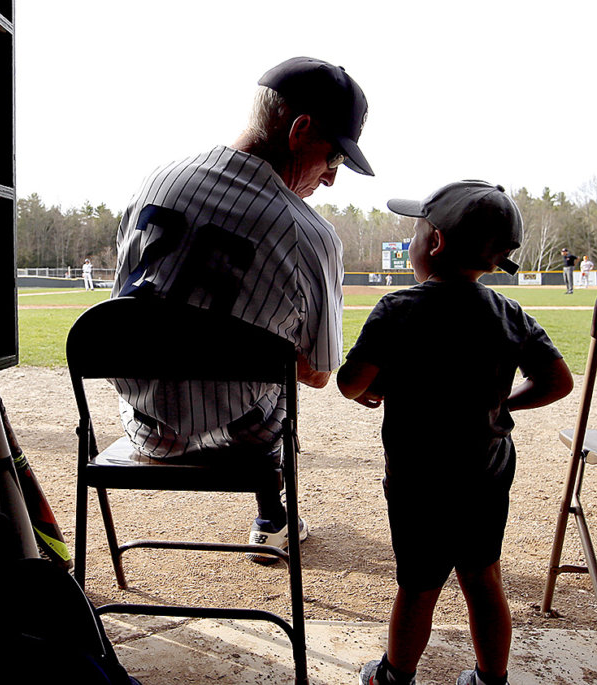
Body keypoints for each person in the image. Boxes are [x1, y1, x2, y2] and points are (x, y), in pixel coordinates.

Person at [110, 56, 373, 561]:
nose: (331, 179)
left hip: (146, 429)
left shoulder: (156, 181)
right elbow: (319, 374)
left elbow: (120, 309)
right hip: (242, 439)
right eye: (334, 158)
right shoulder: (309, 233)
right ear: (300, 131)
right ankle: (272, 518)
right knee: (279, 376)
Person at [336, 180, 573, 685]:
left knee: (419, 584)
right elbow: (558, 381)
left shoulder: (398, 308)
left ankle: (395, 676)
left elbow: (350, 381)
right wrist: (502, 403)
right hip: (485, 471)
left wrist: (370, 390)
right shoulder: (509, 313)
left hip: (418, 477)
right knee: (483, 576)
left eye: (416, 232)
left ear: (436, 242)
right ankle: (490, 679)